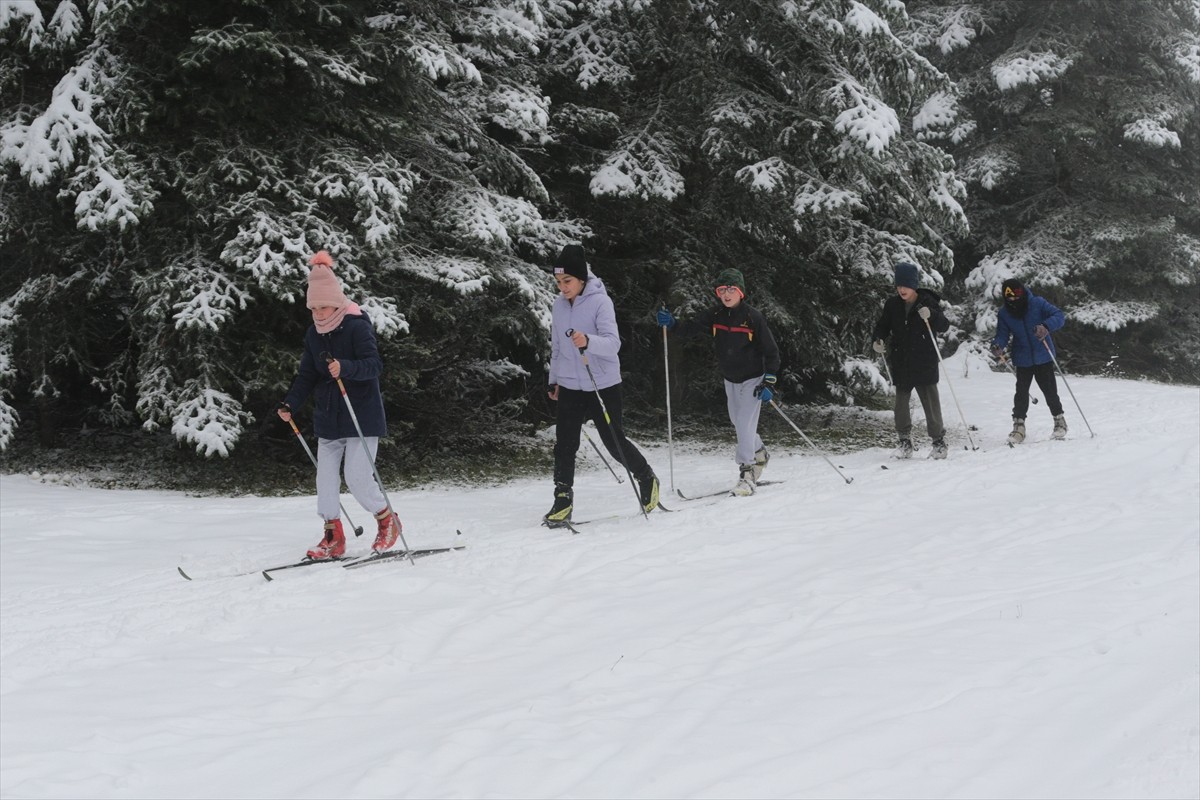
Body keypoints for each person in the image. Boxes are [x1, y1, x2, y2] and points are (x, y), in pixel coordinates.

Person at [277, 251, 401, 559]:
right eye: (313, 308)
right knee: (325, 481)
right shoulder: (313, 334)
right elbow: (307, 374)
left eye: (323, 306)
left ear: (336, 302)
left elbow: (374, 365)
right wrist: (290, 403)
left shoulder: (357, 326)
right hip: (329, 417)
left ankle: (387, 521)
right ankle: (333, 536)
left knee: (358, 477)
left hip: (361, 414)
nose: (318, 313)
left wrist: (346, 367)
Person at [545, 244, 659, 526]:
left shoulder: (600, 302)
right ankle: (563, 499)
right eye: (559, 282)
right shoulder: (559, 305)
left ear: (581, 279)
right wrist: (554, 379)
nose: (563, 287)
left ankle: (646, 477)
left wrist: (588, 341)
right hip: (571, 384)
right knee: (565, 444)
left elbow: (613, 345)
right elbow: (557, 346)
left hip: (602, 384)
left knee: (613, 441)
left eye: (567, 281)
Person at [656, 268, 781, 496]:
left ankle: (747, 473)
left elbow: (772, 352)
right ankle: (760, 452)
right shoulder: (715, 315)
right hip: (730, 378)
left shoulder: (753, 317)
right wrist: (672, 324)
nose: (726, 294)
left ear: (740, 292)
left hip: (753, 379)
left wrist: (769, 381)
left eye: (731, 289)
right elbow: (691, 328)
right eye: (722, 289)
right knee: (737, 421)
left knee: (743, 422)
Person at [871, 262, 950, 460]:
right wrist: (877, 340)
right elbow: (882, 326)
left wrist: (932, 315)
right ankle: (904, 442)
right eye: (899, 286)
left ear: (913, 285)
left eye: (905, 286)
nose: (901, 290)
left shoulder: (927, 301)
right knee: (901, 405)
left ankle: (939, 443)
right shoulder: (892, 304)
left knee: (931, 403)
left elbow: (944, 325)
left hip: (924, 361)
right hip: (902, 360)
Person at [991, 278, 1067, 443]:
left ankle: (1059, 421)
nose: (1013, 300)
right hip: (1022, 357)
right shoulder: (1005, 313)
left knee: (1049, 391)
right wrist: (998, 345)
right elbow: (1002, 334)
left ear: (1022, 292)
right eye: (1009, 297)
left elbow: (1059, 315)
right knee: (1021, 393)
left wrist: (1045, 327)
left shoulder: (1037, 303)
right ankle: (1019, 427)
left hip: (1043, 354)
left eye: (1016, 295)